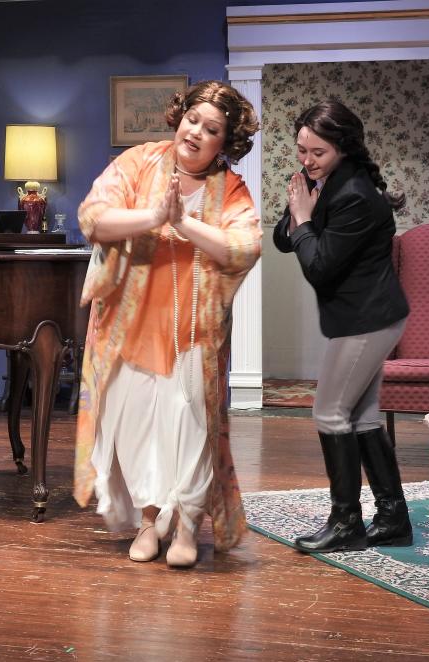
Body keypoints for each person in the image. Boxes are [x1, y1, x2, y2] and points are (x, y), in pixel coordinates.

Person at [73, 80, 261, 568]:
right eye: (193, 119)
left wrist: (183, 224)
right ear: (180, 116)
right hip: (132, 329)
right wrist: (155, 215)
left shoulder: (230, 188)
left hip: (193, 336)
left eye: (212, 129)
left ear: (226, 142)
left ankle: (185, 527)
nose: (196, 132)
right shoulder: (140, 161)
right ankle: (147, 522)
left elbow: (244, 247)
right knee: (138, 430)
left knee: (190, 431)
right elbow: (93, 218)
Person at [273, 99, 412, 554]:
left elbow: (318, 267)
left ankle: (346, 522)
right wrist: (299, 207)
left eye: (318, 153)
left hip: (367, 319)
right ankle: (392, 518)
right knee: (362, 416)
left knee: (329, 412)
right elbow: (283, 239)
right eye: (301, 150)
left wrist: (305, 216)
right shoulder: (328, 182)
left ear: (344, 149)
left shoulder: (353, 194)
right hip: (365, 315)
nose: (307, 160)